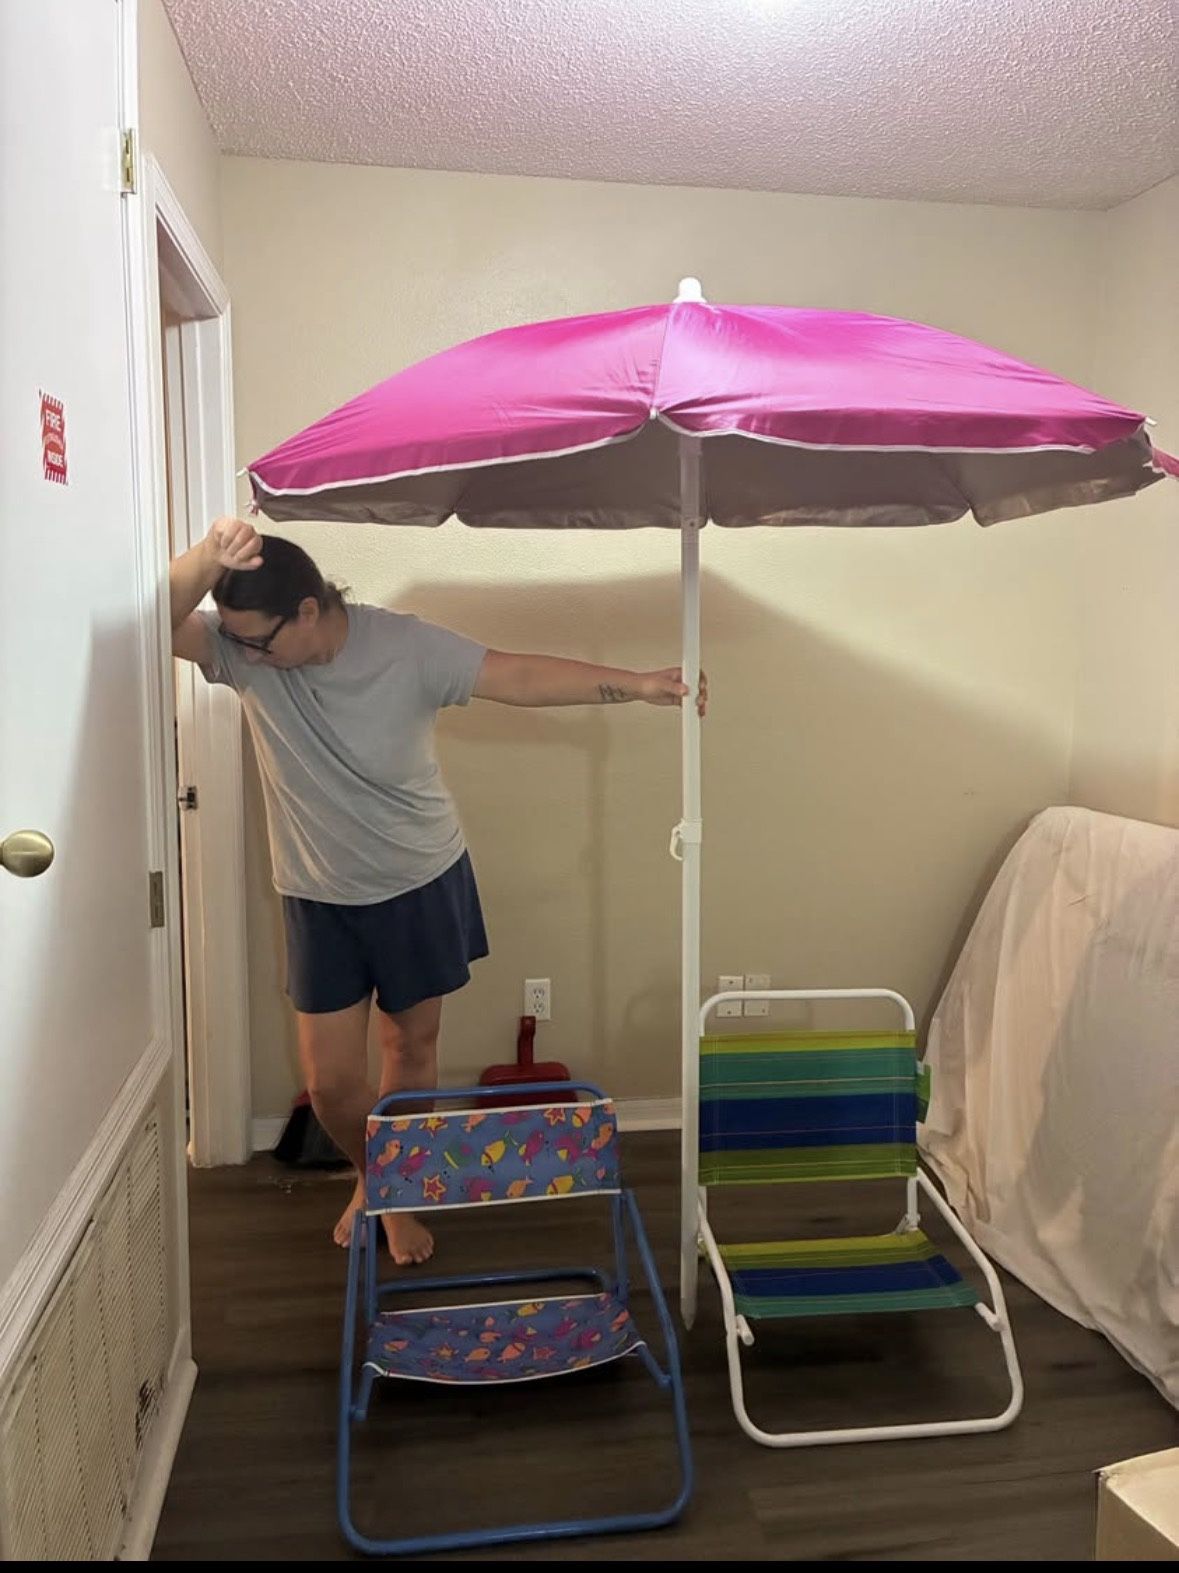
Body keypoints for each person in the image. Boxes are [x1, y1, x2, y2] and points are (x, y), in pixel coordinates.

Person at [170, 516, 707, 1264]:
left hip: (418, 879)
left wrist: (638, 685)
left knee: (409, 1044)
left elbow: (514, 674)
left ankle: (394, 1195)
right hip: (317, 894)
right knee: (329, 1084)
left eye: (258, 639)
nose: (244, 653)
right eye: (236, 639)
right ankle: (378, 1172)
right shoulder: (245, 654)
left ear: (310, 612)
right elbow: (158, 623)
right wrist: (205, 560)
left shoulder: (407, 647)